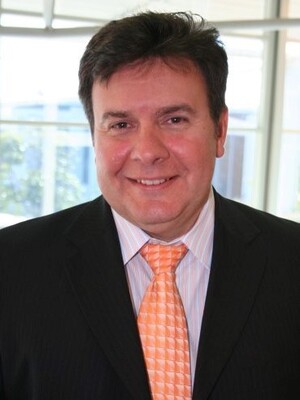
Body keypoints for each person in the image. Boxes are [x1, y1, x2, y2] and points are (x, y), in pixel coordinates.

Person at [0, 11, 299, 400]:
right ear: (94, 136)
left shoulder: (292, 263)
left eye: (174, 119)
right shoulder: (11, 269)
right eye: (121, 125)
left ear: (220, 131)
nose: (147, 152)